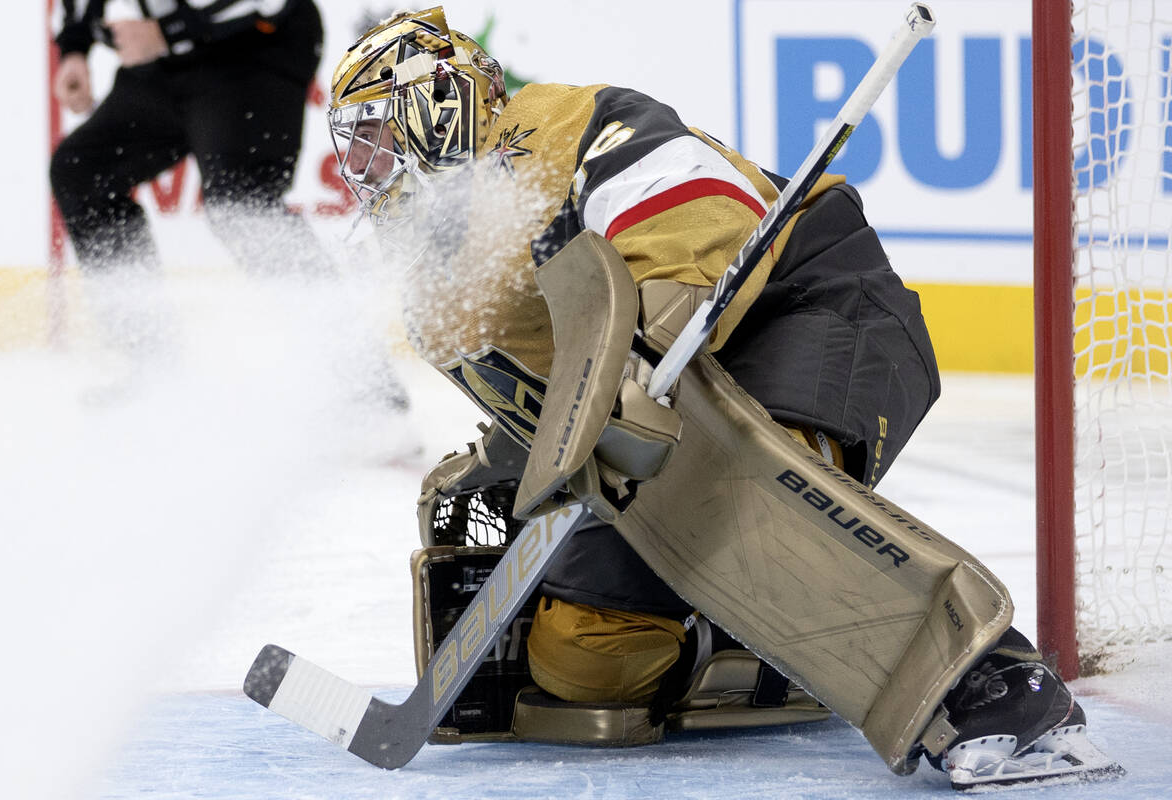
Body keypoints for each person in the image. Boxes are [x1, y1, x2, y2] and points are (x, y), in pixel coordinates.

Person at [325, 6, 1119, 788]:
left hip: (805, 302)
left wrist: (638, 357)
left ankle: (1000, 687)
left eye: (373, 132)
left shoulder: (551, 126)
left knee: (752, 507)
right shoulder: (434, 286)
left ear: (433, 102)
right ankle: (781, 644)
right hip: (666, 414)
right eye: (352, 144)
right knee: (585, 660)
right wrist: (511, 454)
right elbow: (552, 400)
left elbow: (700, 212)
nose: (361, 164)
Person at [50, 0, 329, 279]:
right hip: (169, 58)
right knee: (82, 171)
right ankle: (134, 315)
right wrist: (75, 47)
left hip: (255, 47)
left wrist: (167, 31)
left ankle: (328, 313)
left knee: (239, 201)